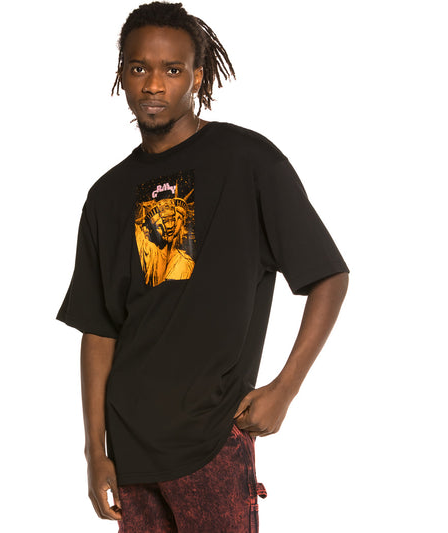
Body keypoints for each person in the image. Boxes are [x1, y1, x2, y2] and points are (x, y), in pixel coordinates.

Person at [56, 2, 350, 531]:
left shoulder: (248, 161)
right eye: (139, 67)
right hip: (130, 452)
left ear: (197, 77)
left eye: (172, 70)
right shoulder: (106, 196)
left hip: (211, 440)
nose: (153, 84)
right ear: (122, 73)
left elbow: (328, 276)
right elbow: (99, 330)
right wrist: (94, 449)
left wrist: (285, 388)